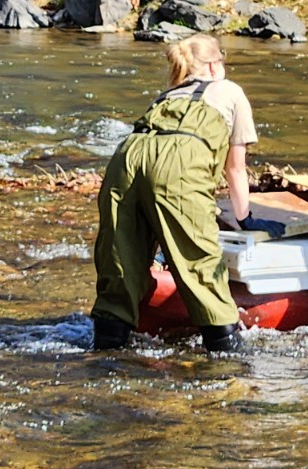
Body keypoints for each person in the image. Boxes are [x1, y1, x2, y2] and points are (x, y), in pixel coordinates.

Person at [90, 33, 272, 354]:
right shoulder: (229, 91)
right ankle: (227, 349)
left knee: (118, 260)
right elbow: (235, 169)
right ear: (216, 63)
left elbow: (150, 171)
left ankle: (105, 353)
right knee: (199, 260)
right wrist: (245, 220)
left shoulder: (167, 95)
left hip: (125, 158)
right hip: (178, 163)